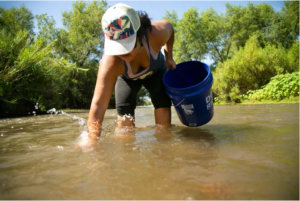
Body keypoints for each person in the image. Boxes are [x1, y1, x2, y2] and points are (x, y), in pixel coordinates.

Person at [85, 3, 176, 144]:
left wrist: (169, 57)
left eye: (128, 45)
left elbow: (170, 28)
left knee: (163, 114)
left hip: (156, 71)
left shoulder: (158, 33)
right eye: (118, 47)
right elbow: (98, 105)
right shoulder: (110, 62)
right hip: (127, 79)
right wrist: (91, 141)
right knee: (124, 125)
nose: (123, 52)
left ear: (140, 34)